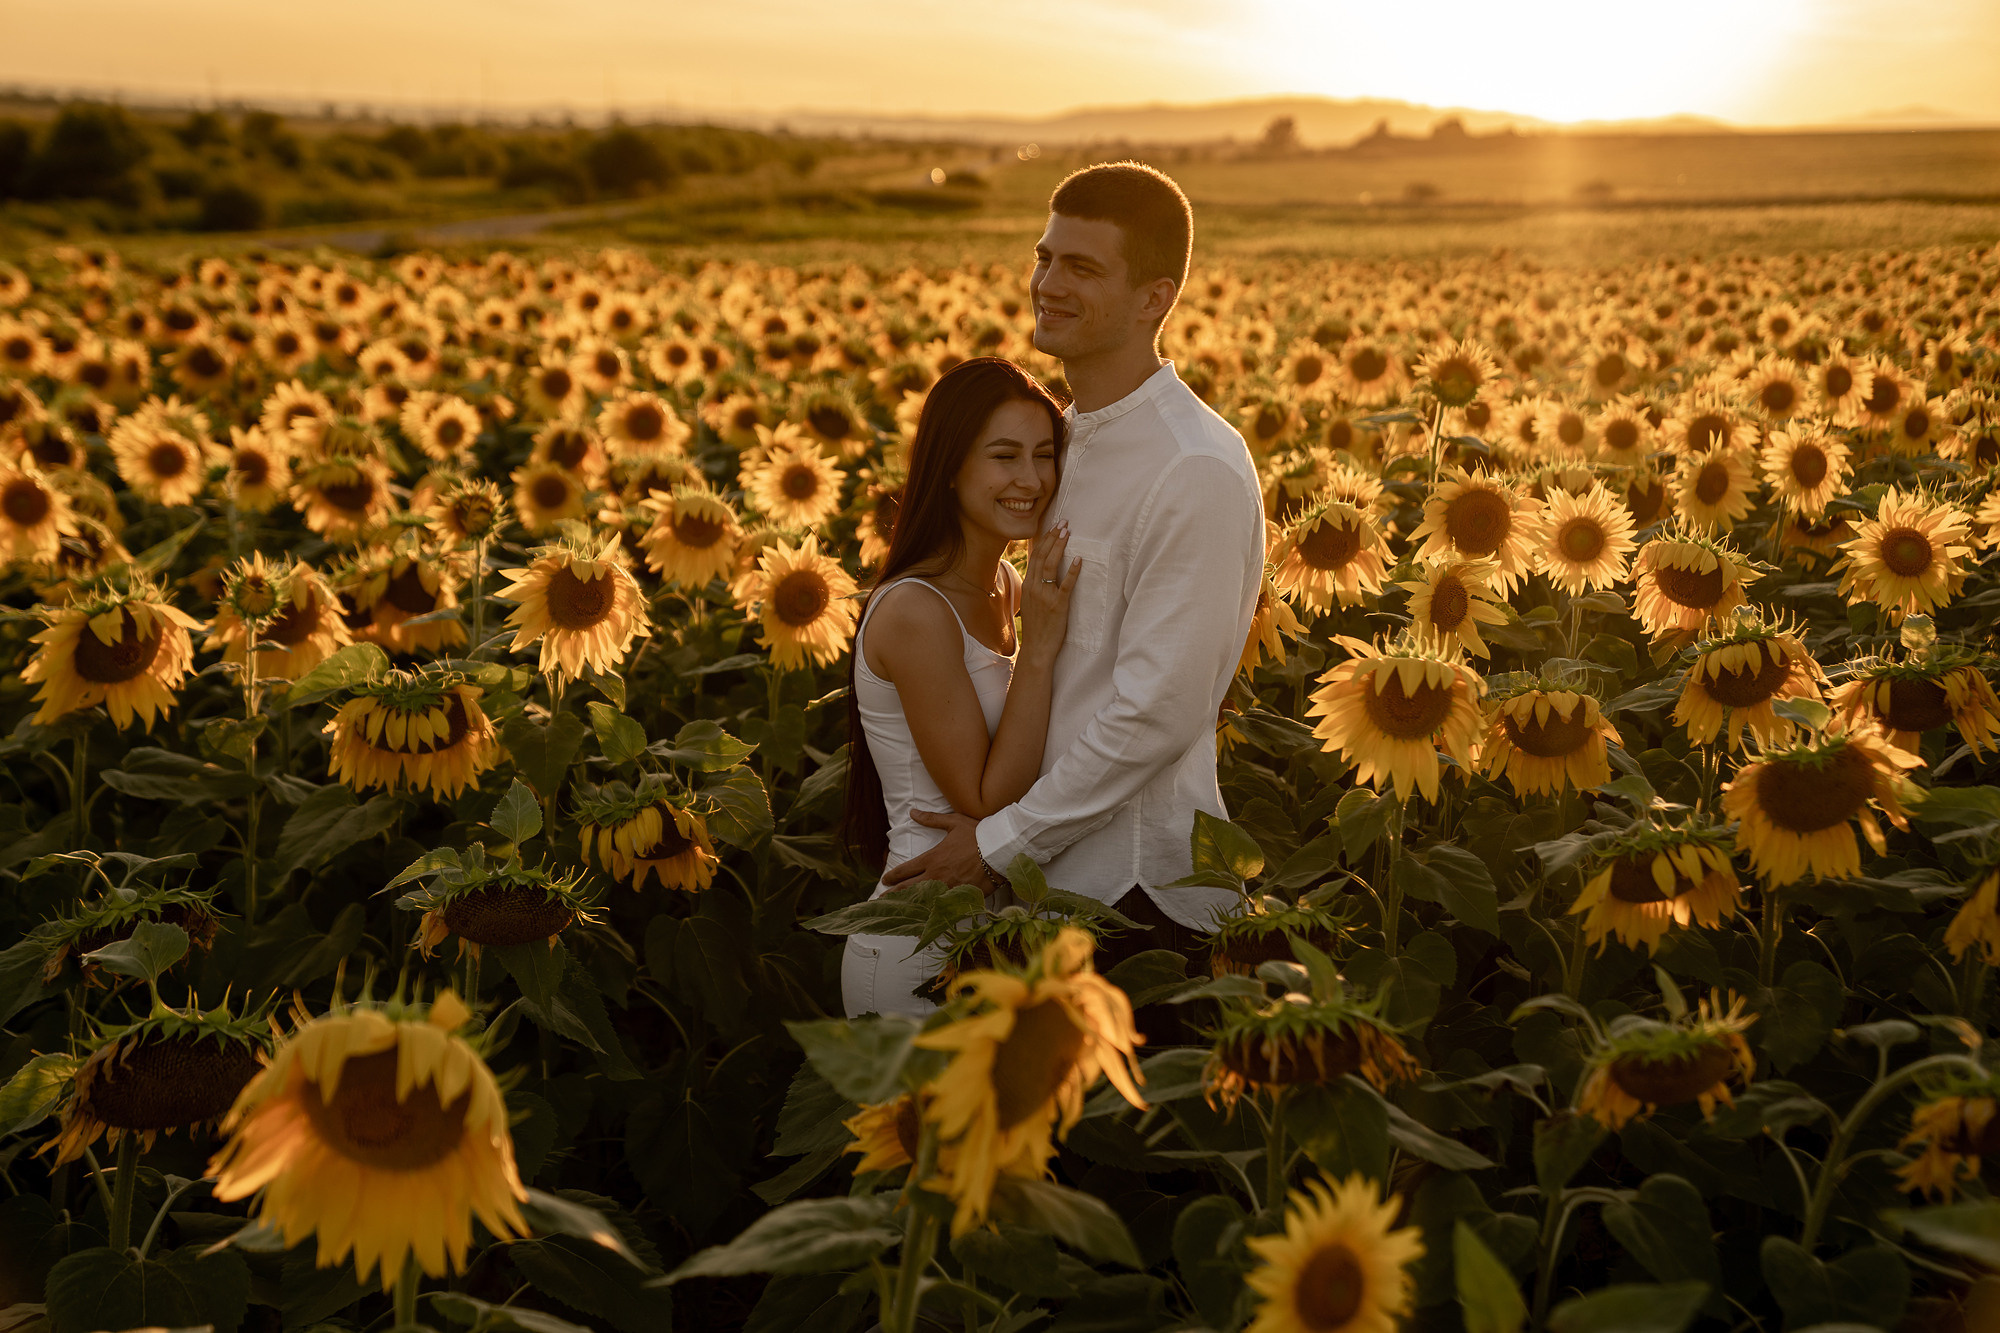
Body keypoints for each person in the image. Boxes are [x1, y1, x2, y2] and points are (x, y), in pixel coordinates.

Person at [881, 161, 1266, 974]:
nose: (1048, 284)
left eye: (1082, 267)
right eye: (1045, 257)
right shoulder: (1059, 441)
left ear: (1154, 298)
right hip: (1038, 889)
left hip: (1132, 895)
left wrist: (1000, 842)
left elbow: (1156, 712)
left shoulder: (1191, 464)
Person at [839, 357, 1081, 1017]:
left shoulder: (1004, 583)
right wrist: (1039, 647)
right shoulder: (917, 611)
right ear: (950, 466)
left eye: (1043, 455)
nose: (1031, 479)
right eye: (1004, 456)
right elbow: (982, 796)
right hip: (915, 942)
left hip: (991, 934)